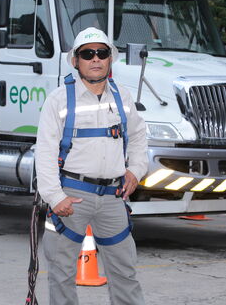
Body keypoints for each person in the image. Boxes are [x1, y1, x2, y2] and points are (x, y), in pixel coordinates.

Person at [35, 27, 148, 305]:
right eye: (88, 54)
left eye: (102, 53)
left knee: (124, 271)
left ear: (110, 59)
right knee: (61, 272)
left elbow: (138, 135)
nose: (95, 59)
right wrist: (55, 197)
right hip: (72, 197)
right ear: (76, 61)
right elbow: (45, 152)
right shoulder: (59, 100)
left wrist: (136, 169)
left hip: (113, 198)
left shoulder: (122, 96)